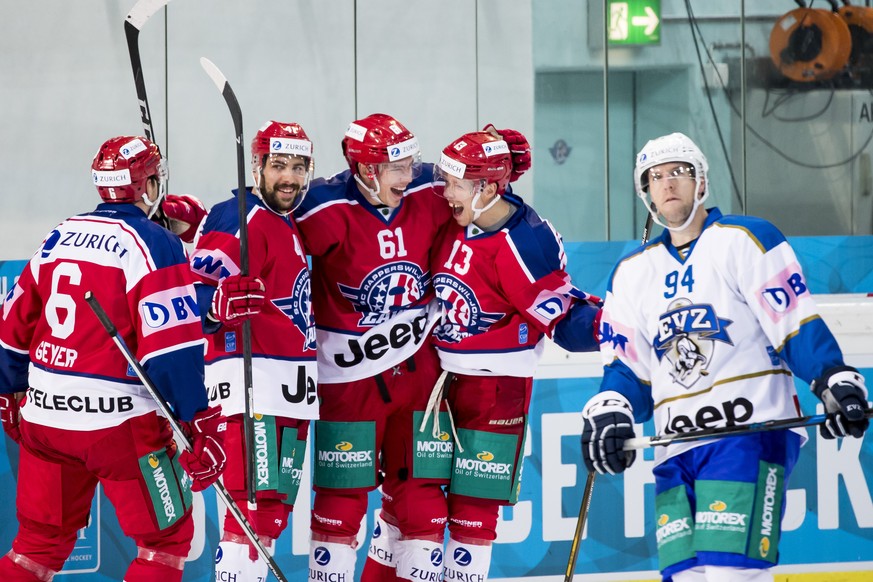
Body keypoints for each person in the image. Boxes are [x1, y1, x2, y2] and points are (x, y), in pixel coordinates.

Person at [580, 132, 870, 582]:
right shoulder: (632, 273)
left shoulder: (744, 239)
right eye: (655, 177)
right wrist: (611, 410)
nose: (668, 183)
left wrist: (834, 379)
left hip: (749, 434)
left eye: (679, 172)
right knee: (688, 577)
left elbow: (795, 325)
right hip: (676, 448)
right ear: (645, 192)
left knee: (731, 574)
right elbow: (628, 370)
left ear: (702, 182)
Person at [0, 135, 226, 581]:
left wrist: (7, 389)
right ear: (147, 186)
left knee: (37, 547)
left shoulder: (59, 233)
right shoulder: (153, 243)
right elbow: (171, 350)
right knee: (164, 544)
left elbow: (12, 322)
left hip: (45, 419)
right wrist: (195, 418)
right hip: (119, 427)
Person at [428, 128, 601, 581]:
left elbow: (565, 321)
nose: (443, 193)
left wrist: (614, 327)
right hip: (433, 384)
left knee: (473, 514)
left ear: (487, 188)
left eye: (454, 185)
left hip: (496, 390)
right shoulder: (456, 212)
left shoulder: (527, 243)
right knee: (414, 509)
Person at [294, 113, 454, 582]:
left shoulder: (428, 189)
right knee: (341, 501)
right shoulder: (319, 206)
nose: (411, 175)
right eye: (397, 168)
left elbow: (483, 202)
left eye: (411, 164)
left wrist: (499, 162)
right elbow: (260, 223)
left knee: (423, 496)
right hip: (348, 382)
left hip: (421, 375)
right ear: (367, 170)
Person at [189, 120, 319, 581]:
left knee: (271, 519)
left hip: (292, 394)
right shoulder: (240, 213)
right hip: (251, 392)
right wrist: (214, 306)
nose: (290, 177)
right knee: (248, 515)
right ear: (257, 164)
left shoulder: (288, 220)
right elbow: (193, 296)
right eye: (279, 165)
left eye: (299, 166)